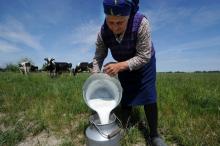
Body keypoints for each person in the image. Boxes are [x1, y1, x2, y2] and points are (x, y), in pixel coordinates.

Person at [92, 0, 167, 145]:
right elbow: (98, 56)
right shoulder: (102, 32)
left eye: (120, 23)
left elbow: (144, 55)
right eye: (110, 22)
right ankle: (125, 127)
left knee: (149, 95)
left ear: (129, 16)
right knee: (125, 94)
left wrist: (121, 66)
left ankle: (154, 135)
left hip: (144, 63)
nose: (114, 27)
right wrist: (96, 75)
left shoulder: (141, 23)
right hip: (122, 62)